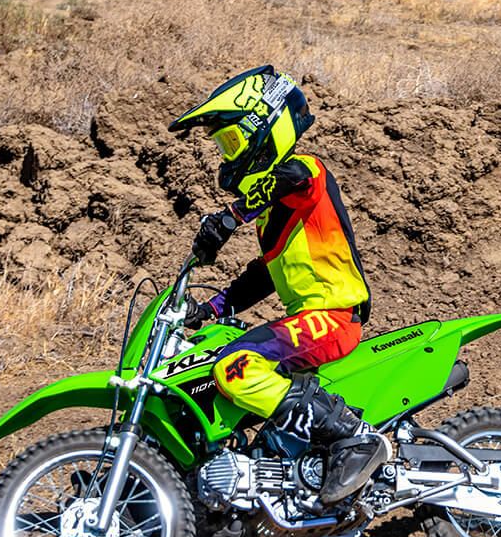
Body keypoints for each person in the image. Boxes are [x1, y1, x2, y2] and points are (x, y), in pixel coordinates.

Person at [167, 66, 389, 511]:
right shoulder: (276, 214)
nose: (227, 153)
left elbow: (288, 178)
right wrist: (208, 309)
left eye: (231, 141)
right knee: (220, 355)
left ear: (261, 127)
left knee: (236, 368)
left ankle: (355, 438)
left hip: (332, 315)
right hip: (310, 318)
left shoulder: (306, 172)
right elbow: (262, 276)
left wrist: (230, 216)